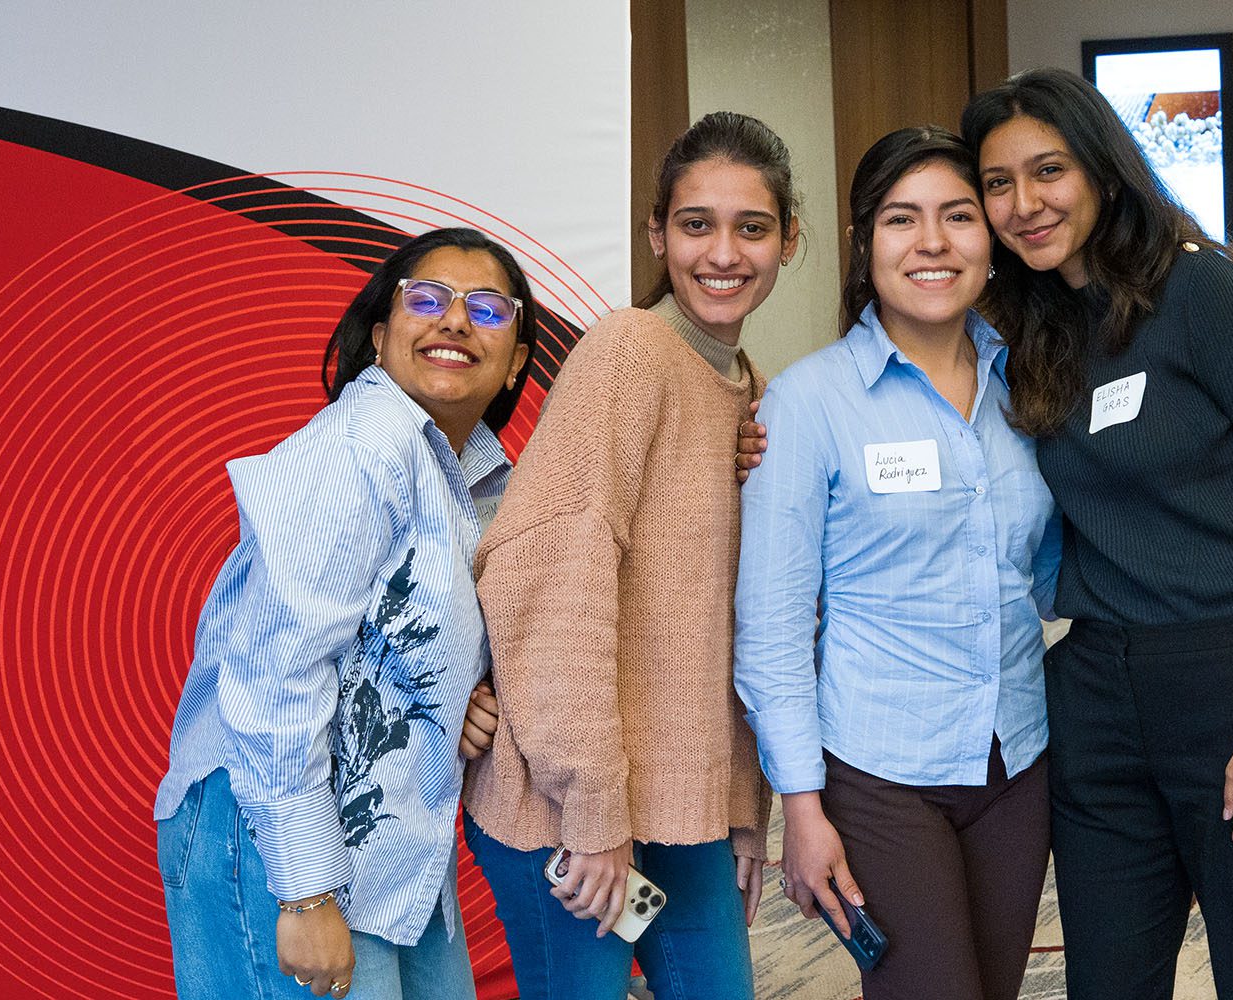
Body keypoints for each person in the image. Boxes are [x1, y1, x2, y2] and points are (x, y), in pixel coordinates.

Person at [963, 68, 1233, 1000]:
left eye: (1048, 170)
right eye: (998, 183)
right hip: (1095, 695)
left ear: (1102, 168)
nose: (1024, 204)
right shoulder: (1028, 327)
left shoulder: (1203, 293)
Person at [459, 111, 797, 1000]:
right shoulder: (629, 352)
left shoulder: (746, 387)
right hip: (567, 814)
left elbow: (719, 625)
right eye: (696, 224)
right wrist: (593, 817)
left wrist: (741, 806)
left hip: (676, 810)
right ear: (658, 234)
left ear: (789, 241)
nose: (722, 253)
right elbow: (552, 581)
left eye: (751, 227)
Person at [154, 227, 536, 1000]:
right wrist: (303, 893)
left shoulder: (473, 478)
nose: (455, 320)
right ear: (381, 334)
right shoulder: (360, 447)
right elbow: (275, 673)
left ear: (516, 361)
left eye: (488, 310)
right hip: (278, 830)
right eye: (428, 299)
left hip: (393, 842)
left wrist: (454, 699)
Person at [734, 125, 1060, 1000]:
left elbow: (1045, 573)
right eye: (901, 219)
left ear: (990, 238)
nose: (932, 243)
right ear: (863, 243)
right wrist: (801, 806)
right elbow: (770, 628)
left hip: (1015, 761)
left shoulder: (1028, 386)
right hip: (879, 775)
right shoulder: (808, 403)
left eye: (958, 216)